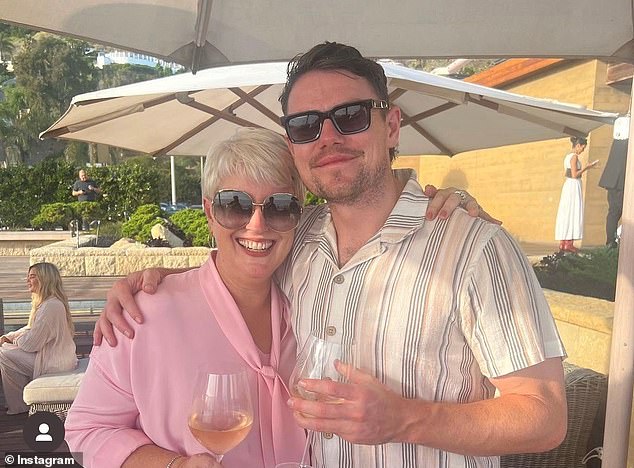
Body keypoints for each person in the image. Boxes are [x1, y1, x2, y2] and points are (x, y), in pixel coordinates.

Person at [96, 43, 566, 468]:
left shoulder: (475, 248)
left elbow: (545, 416)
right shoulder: (297, 240)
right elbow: (242, 253)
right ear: (293, 145)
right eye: (305, 125)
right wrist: (155, 279)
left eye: (351, 116)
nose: (328, 137)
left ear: (392, 125)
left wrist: (406, 419)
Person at [64, 128, 307, 468]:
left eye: (280, 206)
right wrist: (172, 465)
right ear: (209, 212)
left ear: (299, 217)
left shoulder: (314, 307)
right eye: (234, 205)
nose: (257, 225)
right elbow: (87, 431)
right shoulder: (141, 315)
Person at [0, 262, 77, 415]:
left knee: (4, 354)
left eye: (33, 277)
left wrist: (12, 340)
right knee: (6, 349)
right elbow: (30, 329)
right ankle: (21, 401)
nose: (28, 280)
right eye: (27, 277)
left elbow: (30, 344)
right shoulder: (47, 303)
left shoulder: (51, 306)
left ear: (45, 279)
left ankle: (20, 406)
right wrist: (8, 337)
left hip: (56, 363)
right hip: (56, 358)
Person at [554, 136, 598, 253]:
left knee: (568, 212)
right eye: (582, 148)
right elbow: (574, 174)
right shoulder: (573, 157)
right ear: (578, 145)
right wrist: (586, 167)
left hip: (570, 186)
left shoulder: (568, 157)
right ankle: (568, 243)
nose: (582, 150)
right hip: (573, 185)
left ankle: (564, 242)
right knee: (572, 211)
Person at [599, 138, 628, 248]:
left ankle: (610, 242)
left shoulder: (619, 140)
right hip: (621, 182)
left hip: (612, 181)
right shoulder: (629, 142)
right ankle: (612, 241)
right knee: (621, 212)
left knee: (613, 212)